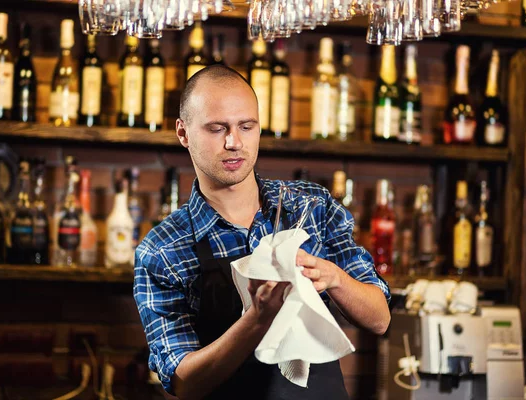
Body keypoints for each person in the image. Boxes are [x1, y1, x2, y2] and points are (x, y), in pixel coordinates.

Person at [133, 65, 391, 400]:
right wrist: (256, 319)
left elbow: (380, 319)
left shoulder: (311, 208)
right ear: (183, 133)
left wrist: (335, 278)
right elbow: (183, 381)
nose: (234, 142)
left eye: (246, 126)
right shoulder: (162, 249)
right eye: (216, 128)